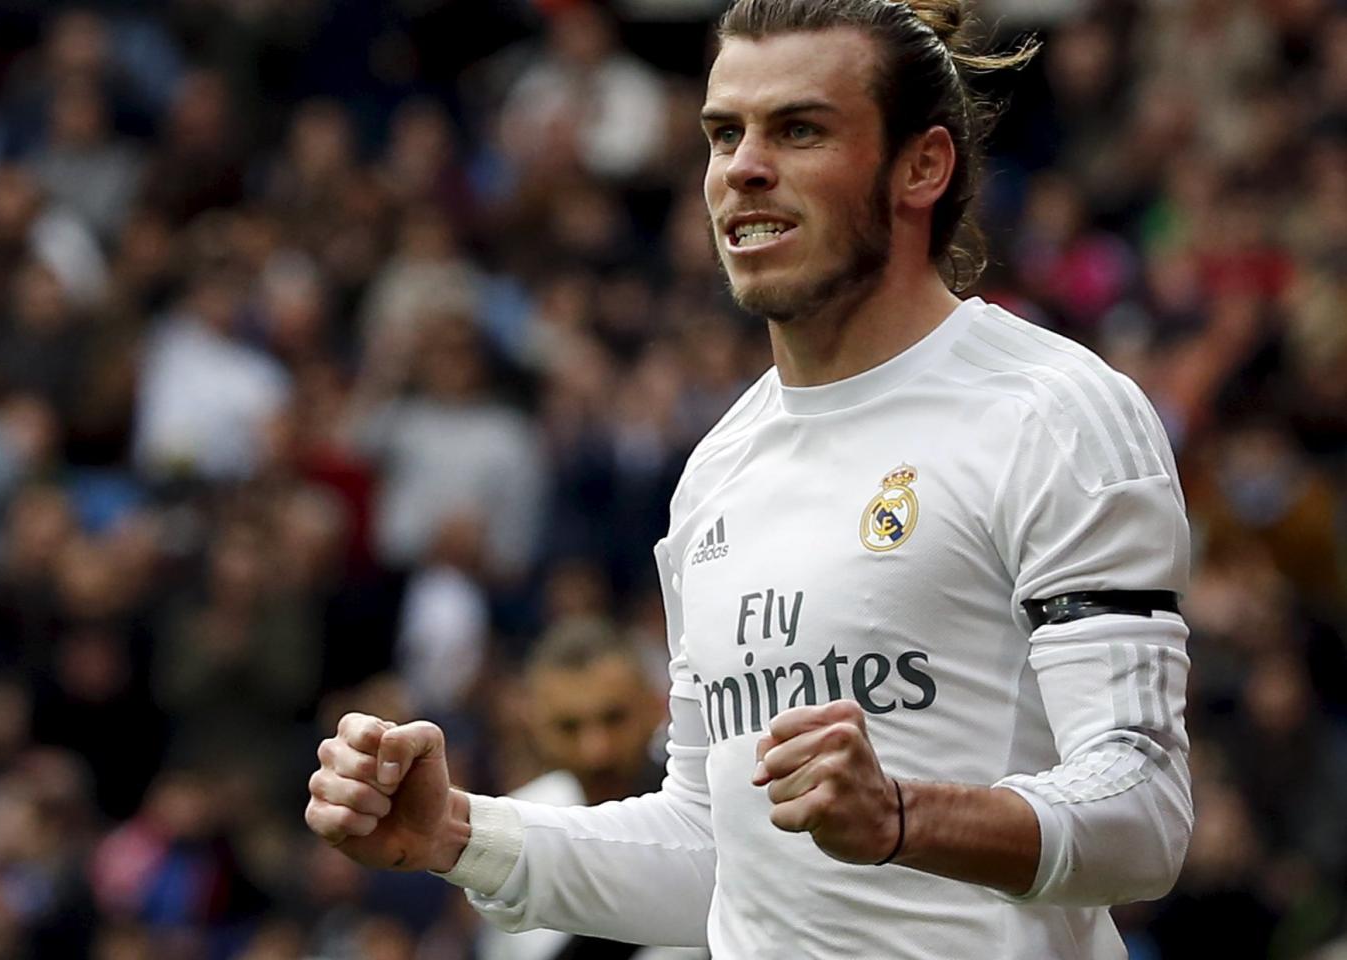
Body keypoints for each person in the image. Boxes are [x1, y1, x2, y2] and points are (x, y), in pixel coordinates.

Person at [305, 1, 1194, 957]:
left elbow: (1142, 810)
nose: (743, 167)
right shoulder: (719, 470)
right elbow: (710, 851)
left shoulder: (1052, 414)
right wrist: (457, 835)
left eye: (799, 129)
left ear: (922, 167)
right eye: (724, 133)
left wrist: (902, 816)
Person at [484, 620, 704, 960]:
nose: (596, 751)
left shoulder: (705, 817)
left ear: (656, 707)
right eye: (568, 727)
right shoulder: (510, 826)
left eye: (613, 718)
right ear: (534, 724)